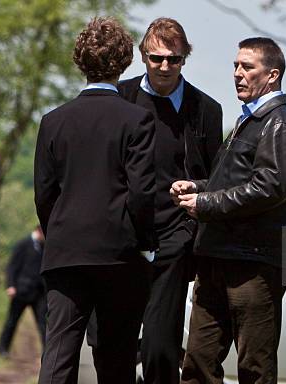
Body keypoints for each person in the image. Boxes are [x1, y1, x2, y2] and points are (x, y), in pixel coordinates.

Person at [91, 17, 222, 384]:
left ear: (185, 59)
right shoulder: (121, 98)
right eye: (156, 58)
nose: (165, 67)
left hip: (173, 240)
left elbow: (218, 178)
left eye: (174, 59)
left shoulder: (205, 110)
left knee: (160, 347)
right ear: (142, 58)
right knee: (107, 343)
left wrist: (196, 187)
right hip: (121, 240)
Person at [173, 37, 286, 384]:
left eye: (247, 67)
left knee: (254, 369)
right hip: (217, 259)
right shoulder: (249, 120)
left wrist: (205, 204)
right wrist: (198, 187)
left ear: (272, 75)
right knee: (197, 364)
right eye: (235, 66)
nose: (237, 73)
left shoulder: (280, 123)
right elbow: (235, 182)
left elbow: (270, 187)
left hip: (253, 266)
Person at [34, 17, 156, 384]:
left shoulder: (53, 121)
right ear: (124, 62)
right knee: (116, 358)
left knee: (57, 356)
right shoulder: (137, 120)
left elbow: (44, 193)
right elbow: (141, 193)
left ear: (80, 62)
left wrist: (58, 235)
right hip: (119, 256)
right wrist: (146, 245)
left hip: (65, 253)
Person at [0, 225, 46, 358]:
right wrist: (11, 285)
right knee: (12, 321)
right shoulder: (23, 245)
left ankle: (47, 352)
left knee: (43, 323)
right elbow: (12, 266)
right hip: (22, 290)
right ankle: (3, 348)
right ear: (39, 231)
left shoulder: (44, 248)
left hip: (39, 292)